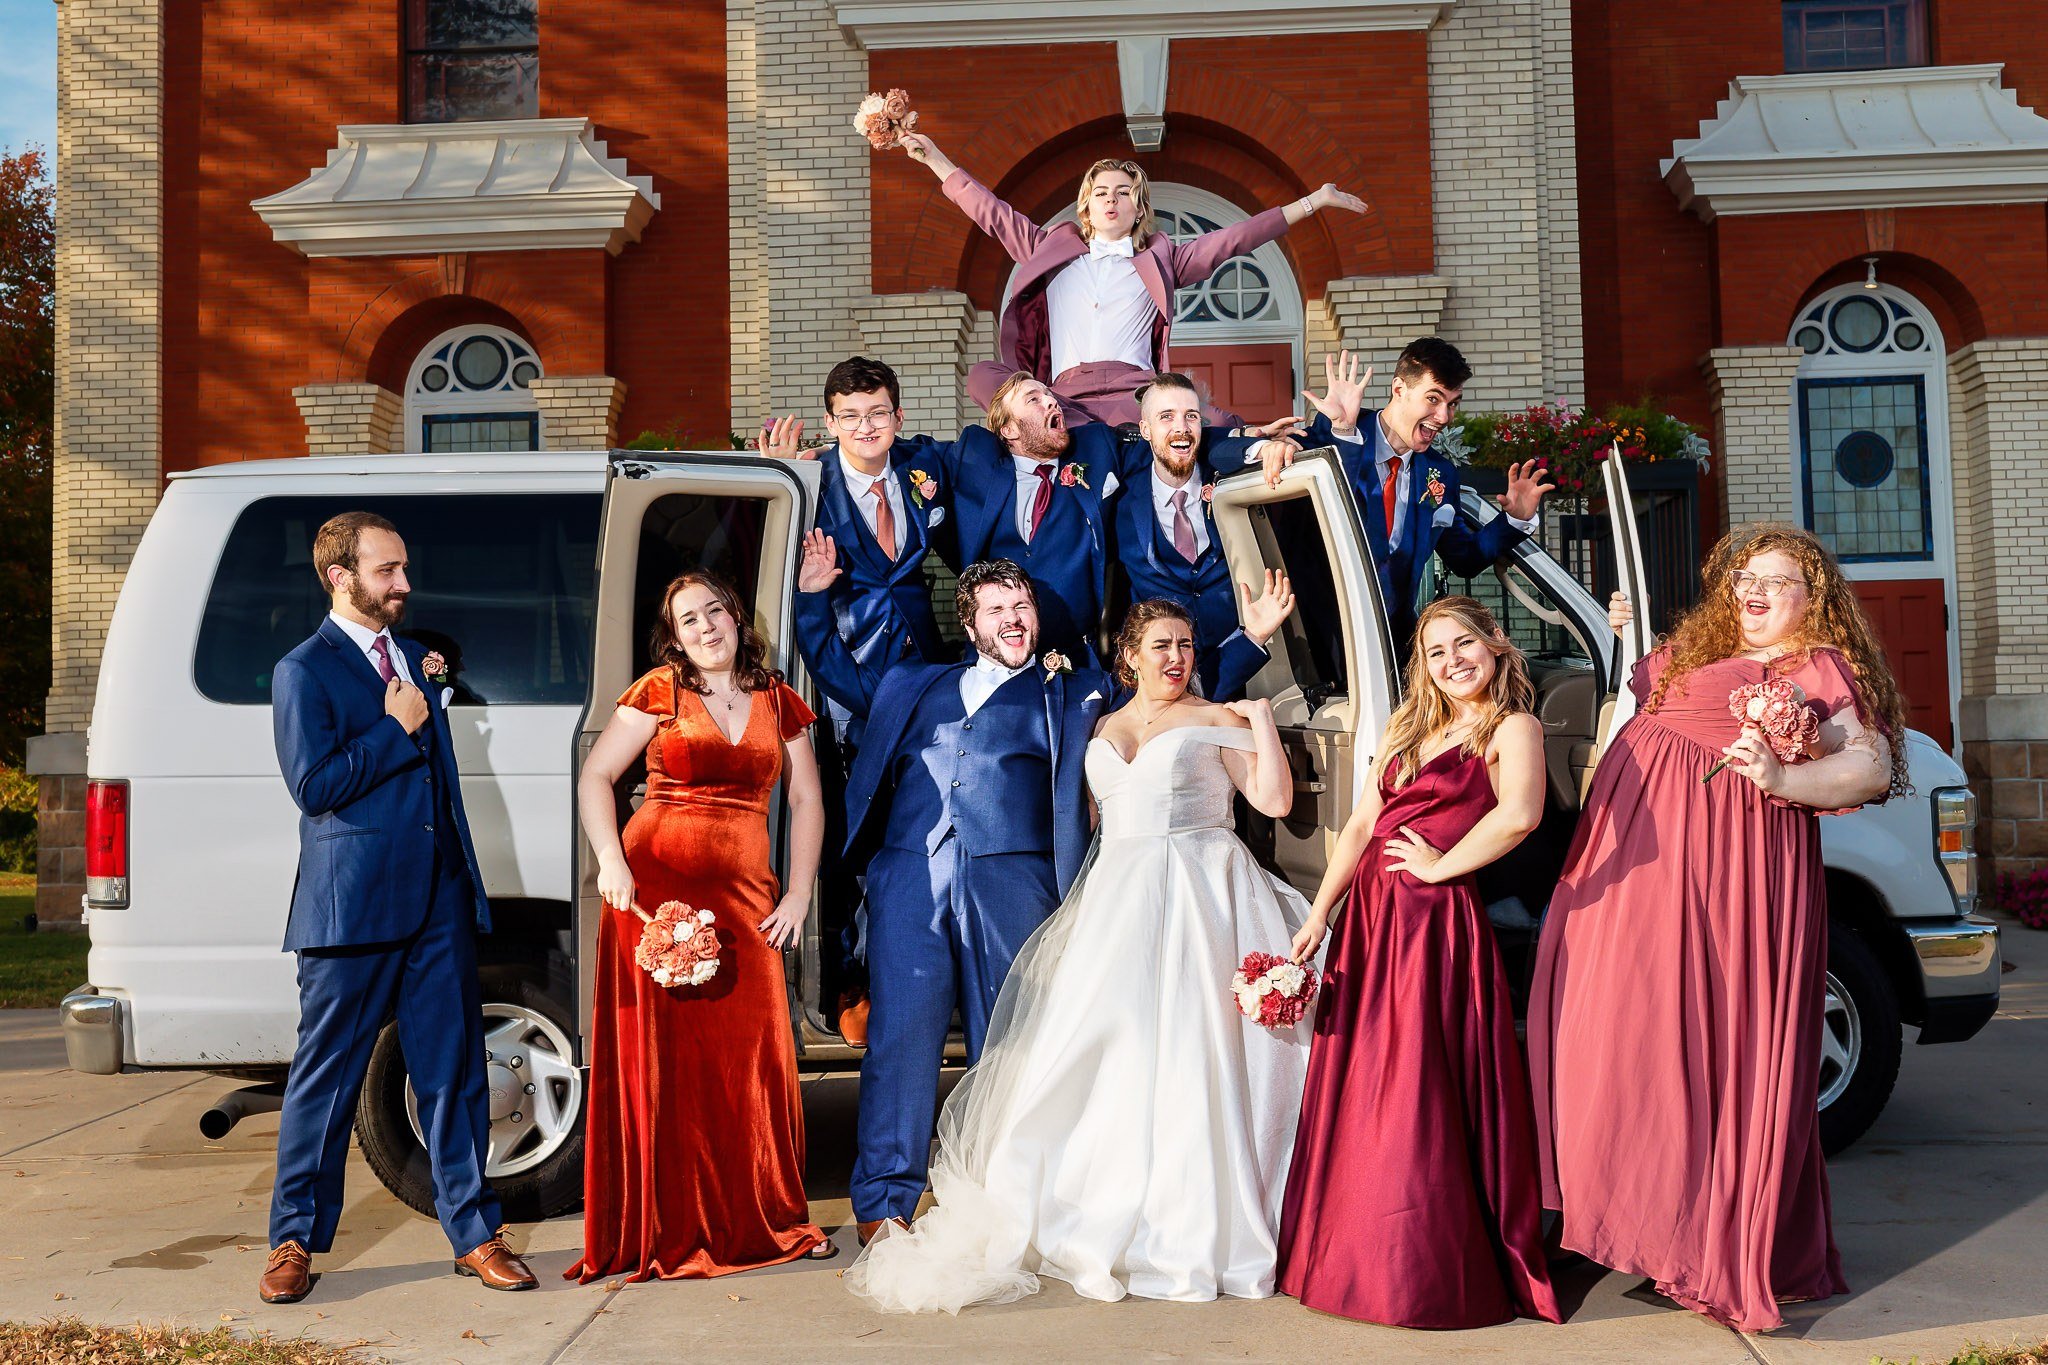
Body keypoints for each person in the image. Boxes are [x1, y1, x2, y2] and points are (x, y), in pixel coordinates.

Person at [844, 599, 1315, 1313]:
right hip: (1115, 901)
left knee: (1192, 1052)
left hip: (1200, 897)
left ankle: (1189, 1217)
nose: (1176, 658)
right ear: (1128, 655)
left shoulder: (1216, 717)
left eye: (1186, 645)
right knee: (1104, 1053)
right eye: (1160, 645)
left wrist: (1257, 721)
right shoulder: (1095, 721)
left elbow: (1274, 801)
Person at [1529, 524, 1904, 1333]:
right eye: (1743, 576)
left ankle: (1702, 1236)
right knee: (1625, 1040)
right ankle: (1641, 1221)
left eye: (1775, 579)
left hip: (1732, 875)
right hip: (1635, 872)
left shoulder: (1815, 667)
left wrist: (1783, 773)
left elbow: (1868, 761)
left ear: (1815, 598)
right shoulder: (1696, 647)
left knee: (1715, 1042)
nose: (1752, 590)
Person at [262, 512, 534, 1304]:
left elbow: (435, 784)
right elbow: (314, 787)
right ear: (339, 576)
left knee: (453, 1074)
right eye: (388, 571)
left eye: (404, 568)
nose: (404, 584)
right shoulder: (301, 670)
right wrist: (393, 726)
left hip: (437, 901)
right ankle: (292, 1240)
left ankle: (475, 1234)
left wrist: (461, 880)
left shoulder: (416, 659)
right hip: (350, 910)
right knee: (326, 1081)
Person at [804, 558, 1109, 1246]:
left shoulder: (1075, 692)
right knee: (899, 1041)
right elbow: (833, 671)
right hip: (910, 875)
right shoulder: (913, 682)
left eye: (1022, 605)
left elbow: (1161, 698)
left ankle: (1005, 1196)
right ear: (969, 623)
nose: (1013, 619)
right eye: (997, 608)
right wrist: (814, 600)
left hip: (1015, 883)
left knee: (1008, 1044)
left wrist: (1249, 642)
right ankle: (885, 1199)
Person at [1278, 596, 1561, 1329]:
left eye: (1464, 643)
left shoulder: (1513, 726)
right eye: (1436, 651)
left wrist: (1440, 870)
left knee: (1419, 1086)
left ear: (1497, 644)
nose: (1452, 660)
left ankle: (1414, 1265)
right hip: (1372, 927)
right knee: (1368, 1080)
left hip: (1435, 931)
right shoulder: (1411, 728)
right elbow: (1362, 824)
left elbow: (1519, 813)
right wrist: (1321, 912)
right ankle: (1351, 1252)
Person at [567, 572, 833, 1281]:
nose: (707, 625)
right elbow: (597, 777)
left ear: (736, 616)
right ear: (675, 637)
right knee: (669, 1067)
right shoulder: (660, 689)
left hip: (748, 902)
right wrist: (610, 863)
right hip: (657, 899)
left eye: (714, 609)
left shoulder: (779, 697)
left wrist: (799, 891)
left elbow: (806, 800)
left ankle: (764, 1217)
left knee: (750, 1063)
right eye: (689, 618)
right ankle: (671, 1223)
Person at [901, 132, 1367, 426]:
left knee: (1215, 421)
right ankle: (1026, 435)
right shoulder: (1048, 249)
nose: (1111, 200)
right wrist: (936, 159)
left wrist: (1312, 202)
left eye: (1123, 193)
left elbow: (1234, 240)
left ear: (1139, 207)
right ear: (1086, 205)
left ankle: (1269, 434)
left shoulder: (1163, 261)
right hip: (1062, 397)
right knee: (982, 374)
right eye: (1101, 192)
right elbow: (991, 213)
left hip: (1135, 392)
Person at [764, 355, 953, 1046]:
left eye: (877, 413)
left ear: (898, 418)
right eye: (850, 416)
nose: (865, 426)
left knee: (924, 831)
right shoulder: (808, 485)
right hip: (850, 684)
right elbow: (794, 595)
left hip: (925, 677)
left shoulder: (924, 466)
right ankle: (857, 983)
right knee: (861, 838)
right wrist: (779, 472)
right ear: (830, 422)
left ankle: (920, 970)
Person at [1254, 343, 1554, 653]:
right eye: (1433, 399)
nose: (1444, 416)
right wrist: (1334, 434)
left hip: (1393, 648)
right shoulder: (1332, 435)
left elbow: (1464, 557)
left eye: (1452, 404)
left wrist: (1514, 520)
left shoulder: (1440, 472)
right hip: (1314, 644)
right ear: (1399, 389)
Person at [1108, 372, 1297, 701]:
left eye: (1190, 416)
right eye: (1166, 416)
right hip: (1161, 685)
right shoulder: (1120, 500)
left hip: (1244, 672)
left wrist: (1264, 446)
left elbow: (1229, 448)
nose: (1181, 427)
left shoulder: (1229, 482)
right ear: (1145, 430)